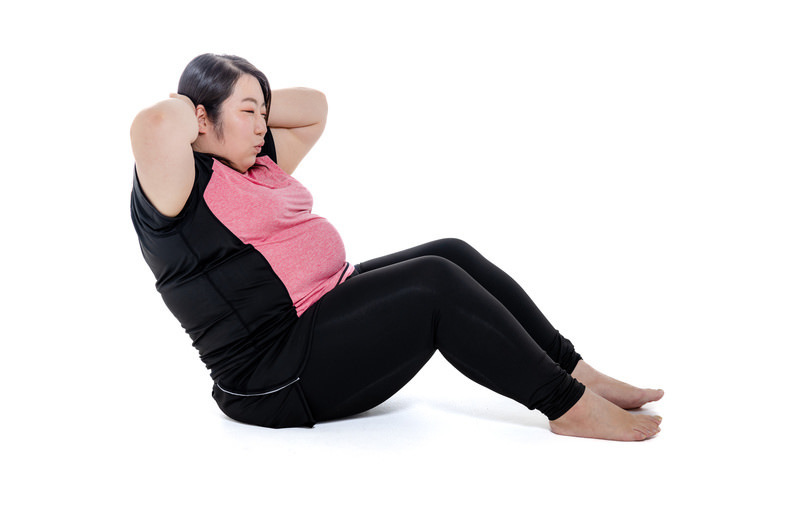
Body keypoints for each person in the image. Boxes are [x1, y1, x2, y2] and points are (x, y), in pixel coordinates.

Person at [130, 53, 663, 441]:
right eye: (249, 113)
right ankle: (567, 407)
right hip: (273, 374)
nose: (261, 126)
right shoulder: (176, 191)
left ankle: (573, 370)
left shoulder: (252, 161)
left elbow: (315, 107)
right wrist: (198, 100)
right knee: (433, 282)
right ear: (200, 119)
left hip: (323, 307)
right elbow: (154, 123)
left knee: (451, 251)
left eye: (263, 113)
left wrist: (246, 98)